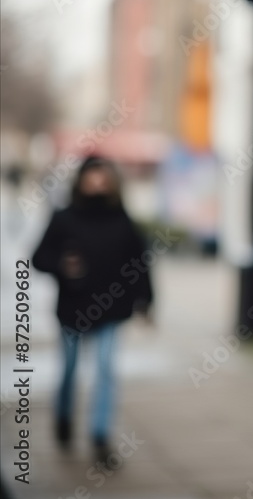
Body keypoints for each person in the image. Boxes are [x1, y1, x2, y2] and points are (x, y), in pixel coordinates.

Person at [31, 155, 153, 465]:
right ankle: (63, 417)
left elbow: (139, 265)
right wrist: (62, 266)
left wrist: (146, 301)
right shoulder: (64, 219)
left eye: (103, 178)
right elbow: (39, 257)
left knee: (105, 371)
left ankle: (100, 436)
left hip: (112, 310)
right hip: (73, 308)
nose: (98, 184)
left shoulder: (122, 221)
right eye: (92, 177)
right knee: (69, 370)